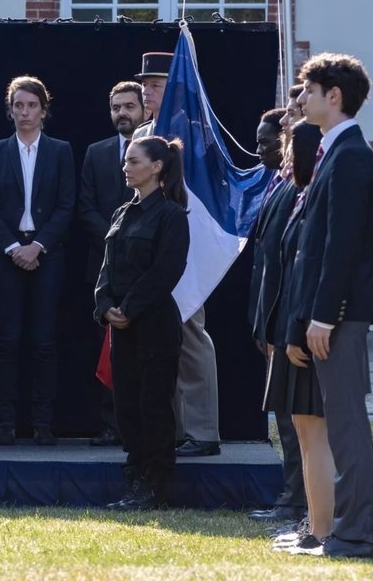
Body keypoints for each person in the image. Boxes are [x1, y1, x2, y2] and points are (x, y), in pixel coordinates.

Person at [283, 53, 373, 559]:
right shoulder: (335, 153)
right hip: (327, 315)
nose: (300, 100)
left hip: (338, 316)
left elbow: (341, 245)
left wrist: (324, 315)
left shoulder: (351, 156)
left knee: (346, 426)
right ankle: (347, 530)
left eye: (307, 90)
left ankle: (354, 534)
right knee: (341, 425)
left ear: (332, 96)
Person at [0, 76, 75, 445]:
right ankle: (5, 421)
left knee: (44, 341)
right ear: (10, 110)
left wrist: (39, 247)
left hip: (47, 255)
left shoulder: (61, 151)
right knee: (7, 340)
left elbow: (67, 206)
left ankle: (43, 423)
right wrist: (13, 248)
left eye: (31, 105)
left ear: (43, 110)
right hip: (5, 256)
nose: (24, 112)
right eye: (18, 105)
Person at [132, 51, 220, 458]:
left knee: (190, 334)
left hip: (182, 244)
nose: (147, 91)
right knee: (158, 341)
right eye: (145, 84)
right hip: (148, 246)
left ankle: (202, 430)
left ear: (175, 87)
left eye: (156, 84)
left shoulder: (193, 134)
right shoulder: (145, 133)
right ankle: (174, 430)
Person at [95, 135, 190, 511]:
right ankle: (135, 480)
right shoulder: (122, 212)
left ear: (156, 167)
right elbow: (107, 267)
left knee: (153, 405)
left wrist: (129, 308)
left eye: (134, 162)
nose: (126, 167)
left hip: (153, 325)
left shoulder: (171, 215)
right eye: (125, 161)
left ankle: (157, 487)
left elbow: (166, 271)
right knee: (127, 407)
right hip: (121, 327)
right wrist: (105, 306)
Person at [265, 121, 330, 555]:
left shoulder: (311, 202)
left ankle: (322, 526)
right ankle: (313, 521)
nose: (282, 157)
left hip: (305, 330)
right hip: (291, 325)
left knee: (314, 433)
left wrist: (293, 332)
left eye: (288, 150)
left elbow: (305, 274)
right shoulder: (297, 197)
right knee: (303, 434)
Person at [245, 107, 307, 527]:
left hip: (287, 319)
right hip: (269, 317)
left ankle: (296, 502)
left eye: (269, 140)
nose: (261, 147)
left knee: (293, 420)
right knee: (283, 420)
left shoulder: (297, 186)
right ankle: (292, 497)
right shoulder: (276, 182)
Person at [78, 80, 143, 447]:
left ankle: (139, 426)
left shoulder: (157, 150)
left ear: (143, 109)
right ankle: (110, 424)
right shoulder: (96, 152)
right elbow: (84, 206)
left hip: (146, 269)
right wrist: (115, 239)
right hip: (103, 267)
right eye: (117, 107)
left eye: (129, 106)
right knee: (106, 350)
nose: (122, 113)